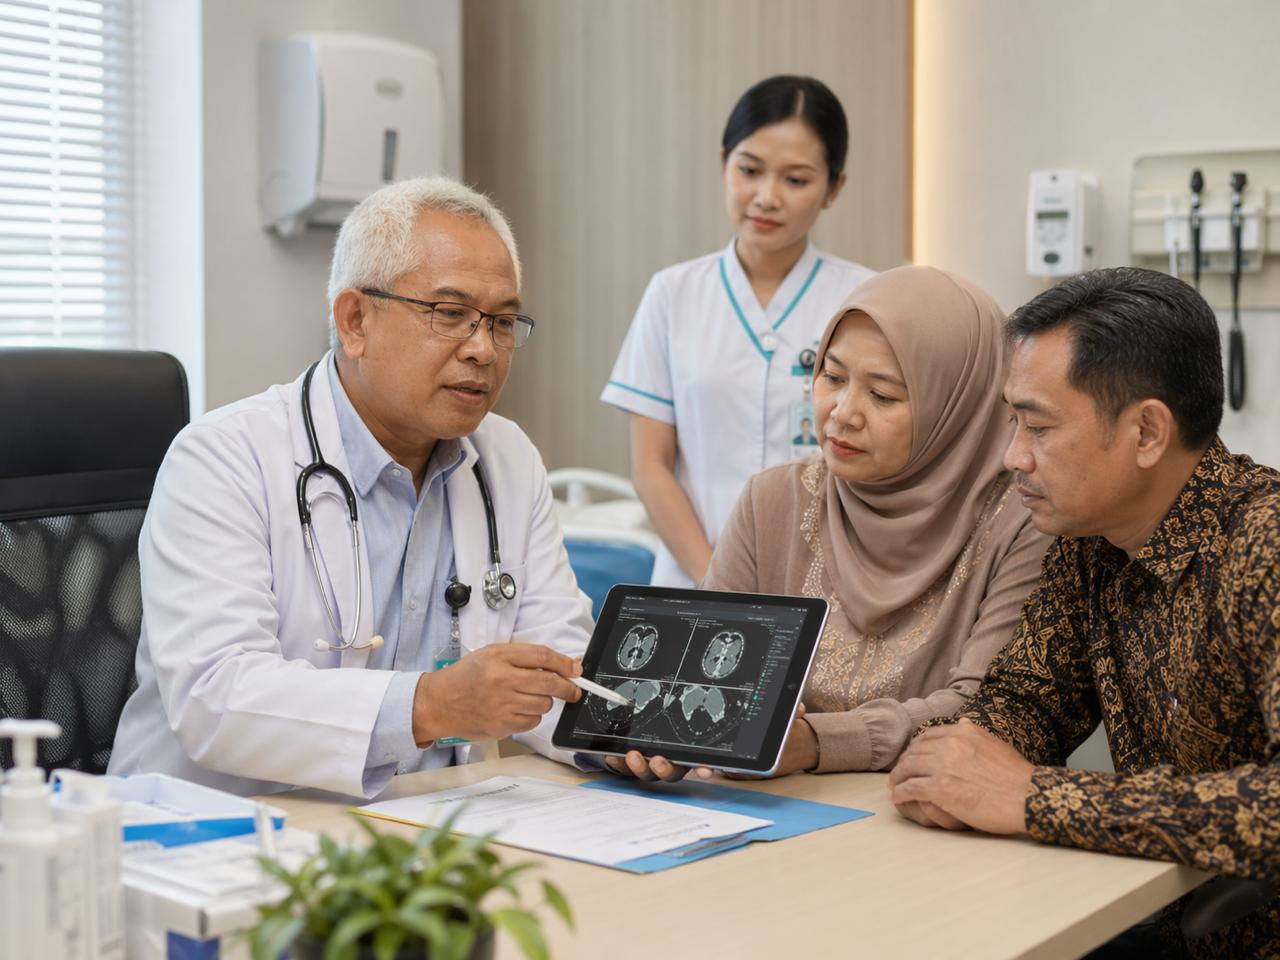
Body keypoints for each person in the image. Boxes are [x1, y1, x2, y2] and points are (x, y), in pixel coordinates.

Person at [110, 177, 590, 798]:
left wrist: (621, 739)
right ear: (355, 320)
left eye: (501, 322)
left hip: (418, 829)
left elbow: (559, 669)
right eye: (451, 314)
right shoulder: (224, 457)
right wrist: (430, 705)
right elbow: (217, 696)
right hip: (221, 836)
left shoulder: (506, 460)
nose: (483, 350)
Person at [889, 267, 1280, 958]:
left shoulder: (1263, 546)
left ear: (1147, 432)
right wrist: (952, 766)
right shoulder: (1091, 542)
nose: (1013, 457)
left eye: (1037, 426)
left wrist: (1038, 798)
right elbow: (1027, 702)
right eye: (1012, 422)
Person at [605, 266, 1050, 781]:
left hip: (932, 823)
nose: (842, 413)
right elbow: (707, 680)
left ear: (957, 407)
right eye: (831, 378)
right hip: (772, 813)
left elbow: (991, 709)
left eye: (882, 395)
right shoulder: (774, 500)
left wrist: (816, 743)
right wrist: (654, 738)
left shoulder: (1021, 523)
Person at [602, 75, 875, 587]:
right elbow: (651, 467)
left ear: (834, 187)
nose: (766, 197)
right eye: (749, 170)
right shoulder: (673, 293)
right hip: (694, 580)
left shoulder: (868, 299)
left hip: (831, 582)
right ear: (724, 162)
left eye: (796, 180)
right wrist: (718, 581)